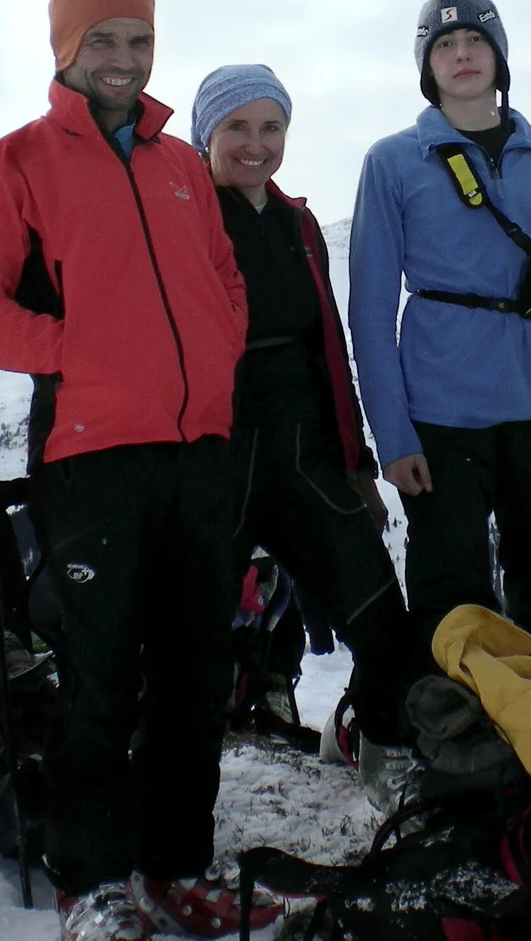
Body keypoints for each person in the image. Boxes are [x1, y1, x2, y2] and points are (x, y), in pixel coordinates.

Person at [0, 0, 278, 941]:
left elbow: (220, 271)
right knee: (99, 673)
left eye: (139, 41)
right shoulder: (17, 166)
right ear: (66, 50)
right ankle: (92, 882)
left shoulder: (178, 165)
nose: (124, 61)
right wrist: (73, 350)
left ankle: (174, 868)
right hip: (91, 457)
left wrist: (219, 345)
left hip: (197, 452)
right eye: (105, 42)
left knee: (196, 672)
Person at [348, 0, 531, 671]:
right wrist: (393, 434)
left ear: (498, 54)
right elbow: (371, 314)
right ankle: (458, 746)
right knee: (448, 594)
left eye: (476, 39)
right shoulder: (393, 162)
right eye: (445, 44)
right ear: (426, 66)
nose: (462, 54)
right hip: (441, 414)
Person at [190, 64, 421, 801]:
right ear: (206, 135)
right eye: (237, 128)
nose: (256, 145)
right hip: (210, 458)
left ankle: (384, 751)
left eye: (272, 128)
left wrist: (355, 465)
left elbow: (329, 346)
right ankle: (164, 810)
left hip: (303, 455)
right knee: (185, 650)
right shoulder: (179, 218)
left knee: (382, 620)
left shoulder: (297, 224)